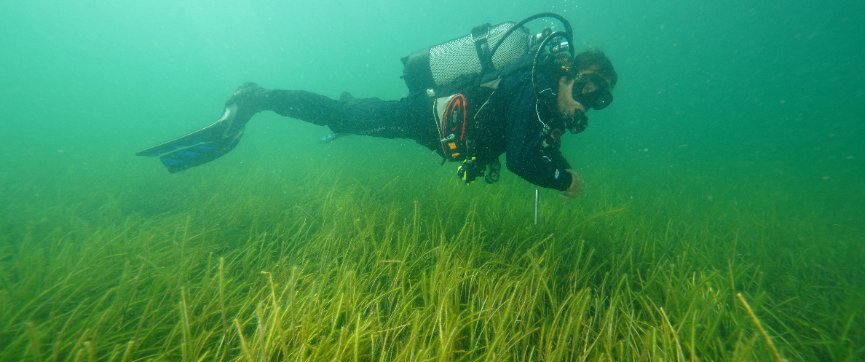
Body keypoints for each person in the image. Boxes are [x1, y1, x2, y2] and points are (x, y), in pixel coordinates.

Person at [137, 19, 617, 199]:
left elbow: (531, 144)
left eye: (600, 99)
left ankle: (344, 106)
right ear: (568, 71)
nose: (588, 103)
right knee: (346, 119)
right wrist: (564, 181)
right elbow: (523, 159)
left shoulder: (541, 98)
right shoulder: (532, 88)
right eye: (589, 88)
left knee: (359, 117)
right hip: (428, 118)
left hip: (436, 125)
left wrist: (561, 167)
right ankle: (255, 98)